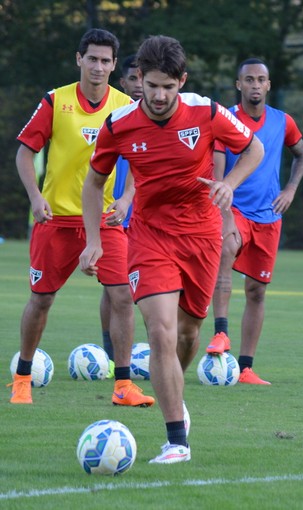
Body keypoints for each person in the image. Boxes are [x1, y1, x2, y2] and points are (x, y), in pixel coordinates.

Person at [79, 35, 264, 464]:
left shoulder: (207, 112)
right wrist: (92, 241)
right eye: (152, 85)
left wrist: (228, 185)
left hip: (200, 237)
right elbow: (93, 182)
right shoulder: (119, 125)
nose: (159, 96)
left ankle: (174, 395)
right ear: (139, 79)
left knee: (186, 333)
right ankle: (176, 440)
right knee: (160, 330)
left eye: (169, 86)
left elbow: (253, 147)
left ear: (182, 81)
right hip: (149, 237)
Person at [10, 28, 155, 409]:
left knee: (123, 296)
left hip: (106, 223)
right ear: (80, 60)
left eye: (106, 60)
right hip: (55, 221)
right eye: (92, 58)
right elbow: (24, 153)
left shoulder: (126, 106)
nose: (99, 66)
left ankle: (123, 386)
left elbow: (143, 158)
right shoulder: (55, 101)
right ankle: (22, 378)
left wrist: (126, 198)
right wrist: (36, 196)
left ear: (114, 66)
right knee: (41, 301)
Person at [206, 58, 303, 384]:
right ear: (239, 84)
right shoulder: (226, 119)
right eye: (248, 79)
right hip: (233, 208)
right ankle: (220, 333)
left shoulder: (283, 121)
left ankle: (246, 368)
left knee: (257, 291)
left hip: (269, 215)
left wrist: (290, 189)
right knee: (225, 254)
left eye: (260, 79)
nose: (254, 84)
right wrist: (224, 215)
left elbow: (302, 155)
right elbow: (218, 171)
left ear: (268, 85)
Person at [101, 54, 142, 364]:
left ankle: (124, 354)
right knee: (114, 287)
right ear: (124, 83)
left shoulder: (155, 118)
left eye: (145, 78)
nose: (139, 85)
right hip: (112, 212)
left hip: (142, 213)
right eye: (134, 79)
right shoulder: (116, 117)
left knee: (127, 289)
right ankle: (110, 352)